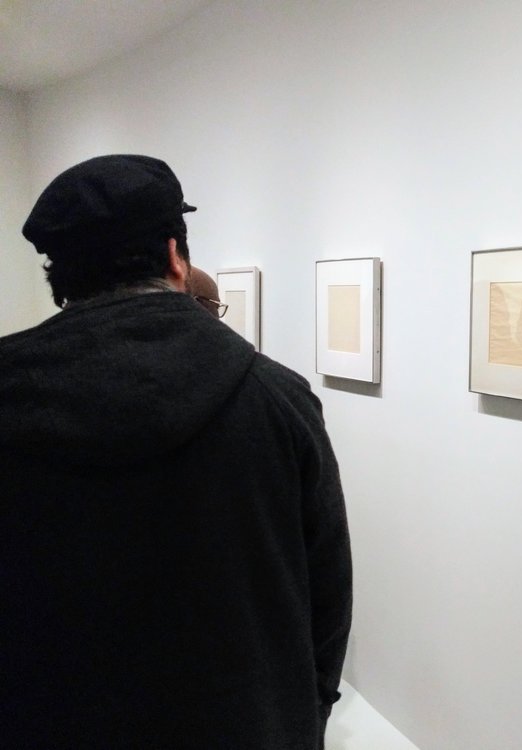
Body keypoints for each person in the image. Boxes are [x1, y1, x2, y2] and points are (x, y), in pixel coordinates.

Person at [0, 154, 351, 750]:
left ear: (57, 274)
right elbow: (327, 592)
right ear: (175, 256)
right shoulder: (278, 398)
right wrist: (305, 713)